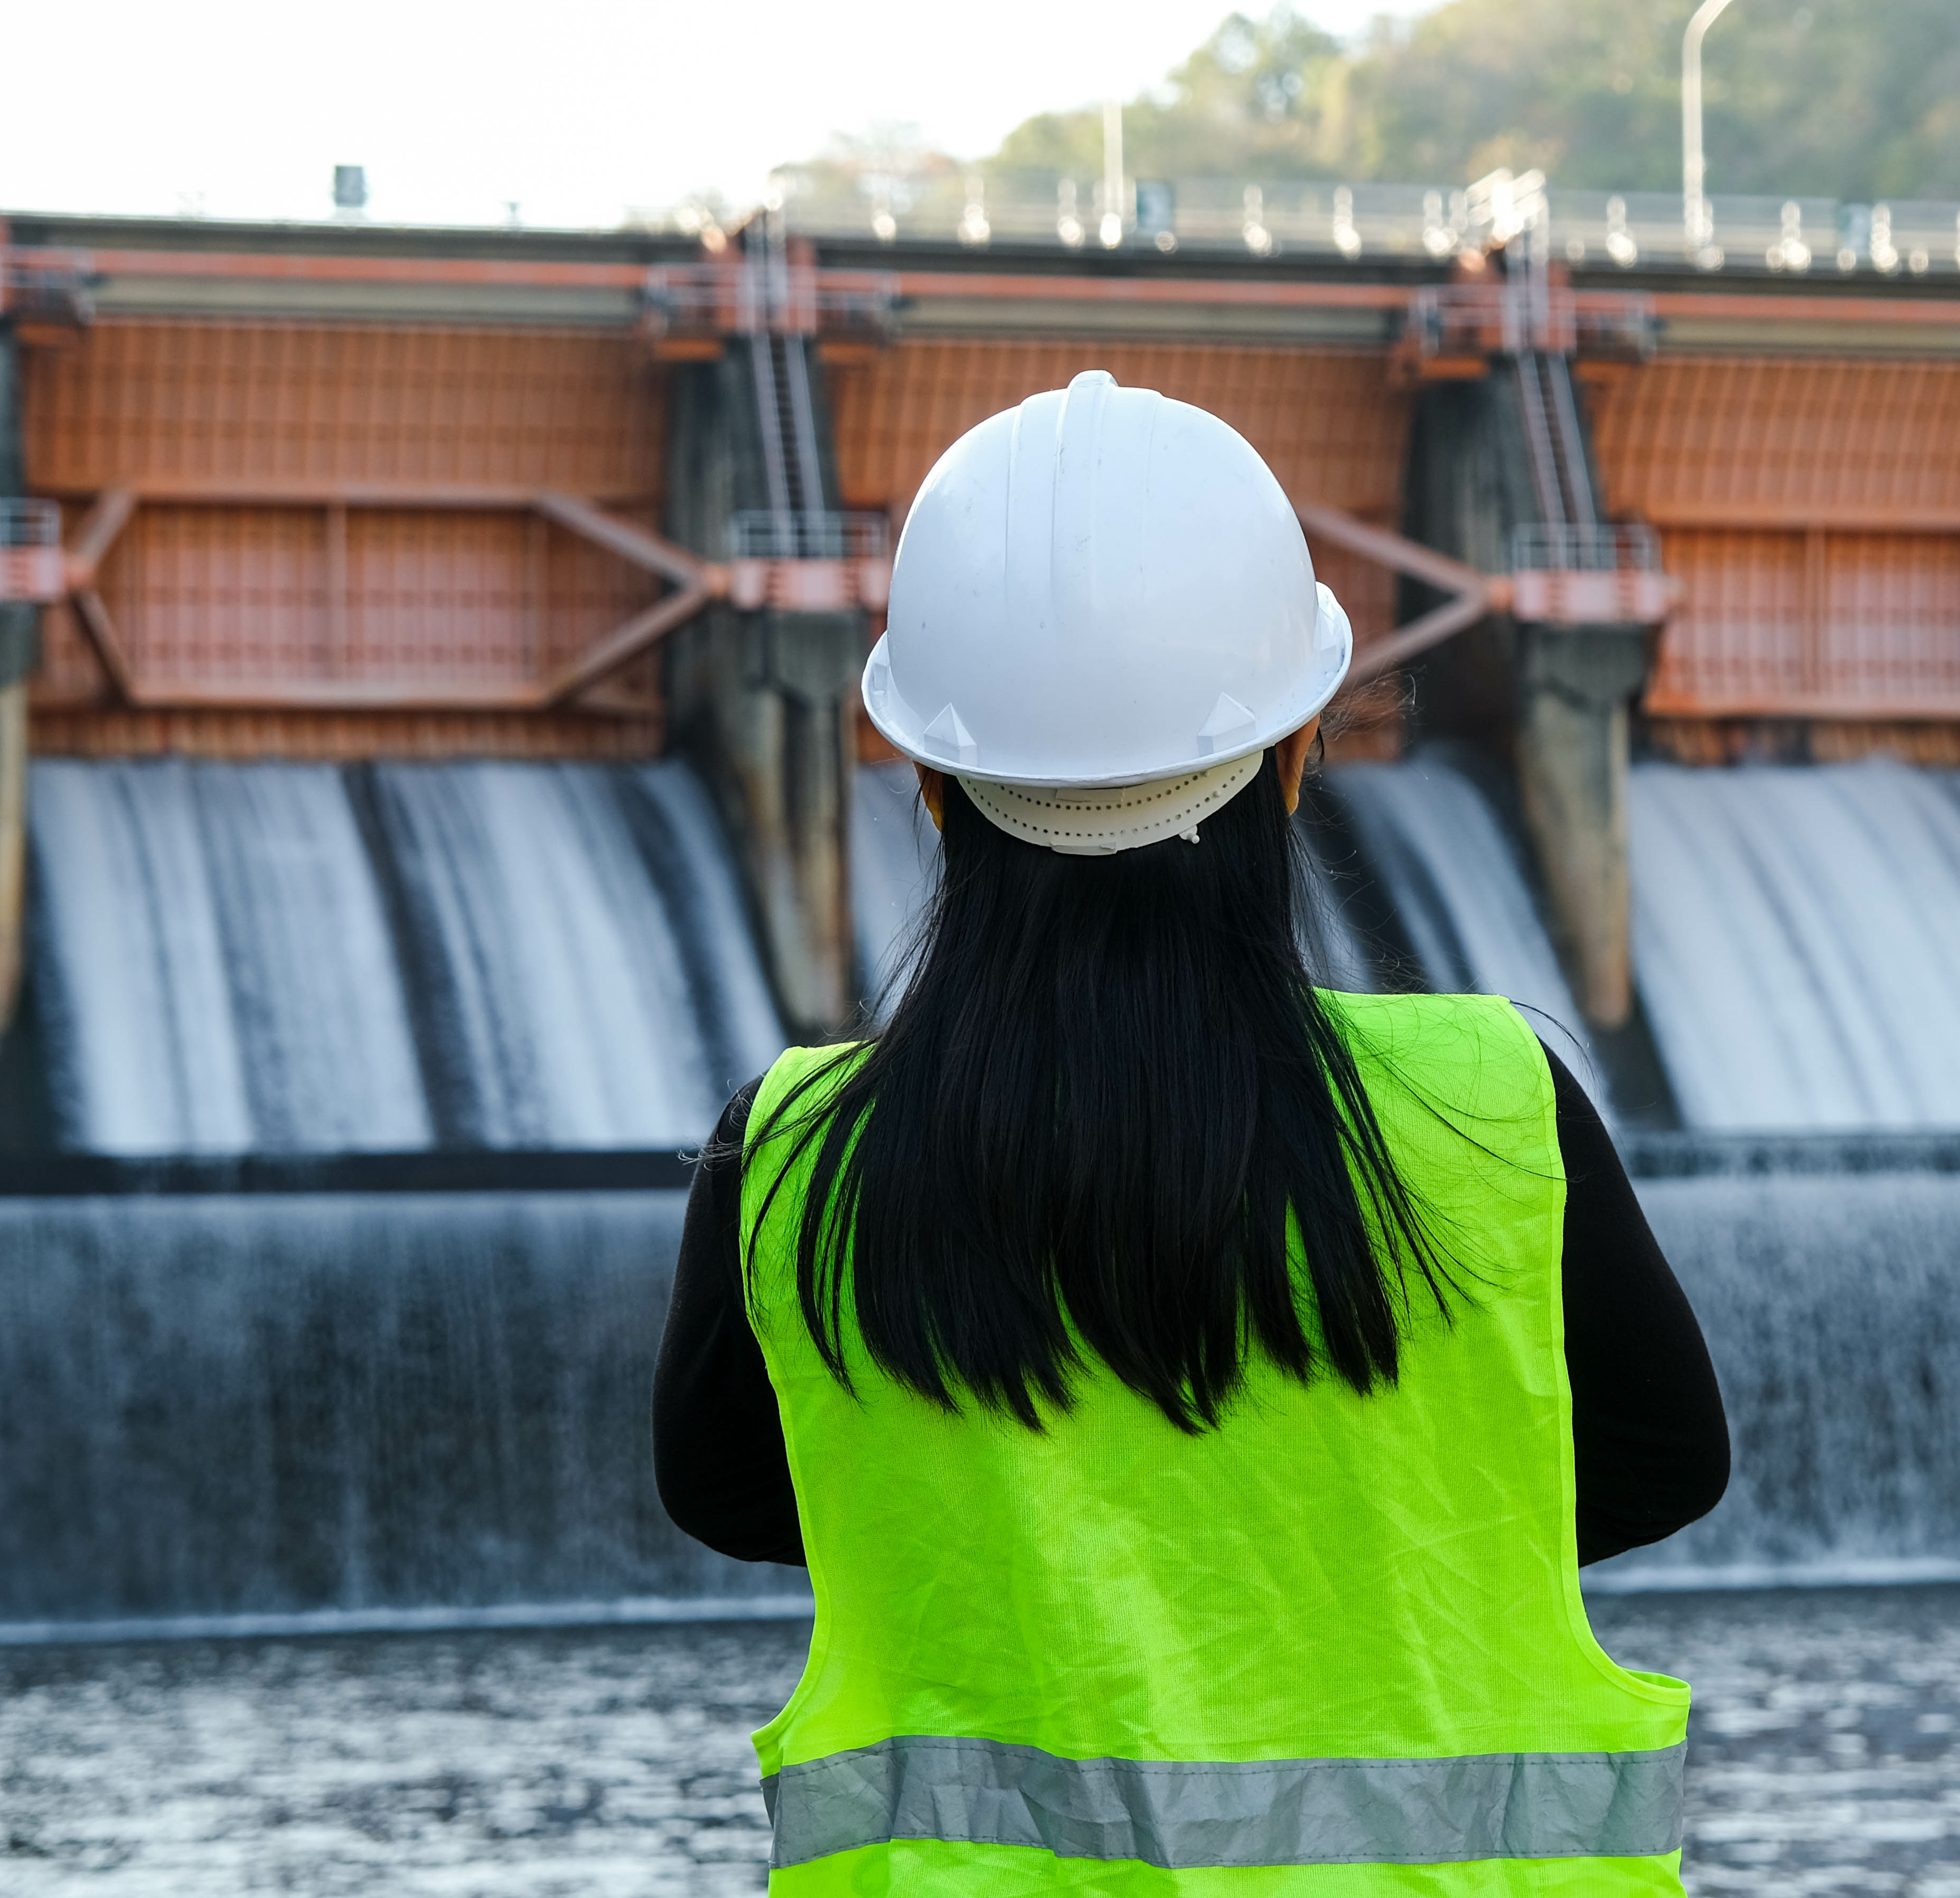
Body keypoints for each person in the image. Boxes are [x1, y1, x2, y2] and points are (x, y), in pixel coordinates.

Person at [654, 370, 1729, 1892]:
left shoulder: (793, 1167)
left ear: (929, 780)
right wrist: (1342, 1557)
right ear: (1293, 758)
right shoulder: (1495, 1109)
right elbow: (1660, 1464)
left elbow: (738, 1496)